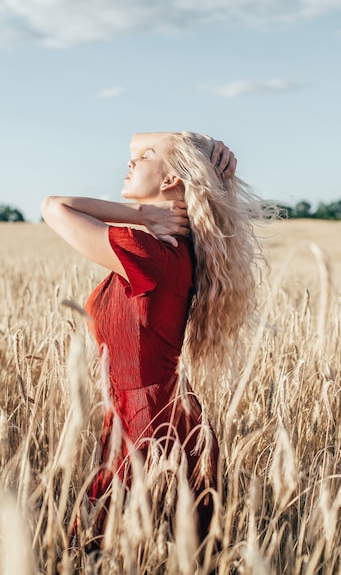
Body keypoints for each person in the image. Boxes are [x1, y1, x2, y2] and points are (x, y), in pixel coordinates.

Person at [41, 131, 264, 550]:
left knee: (92, 552)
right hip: (166, 416)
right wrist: (213, 150)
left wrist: (140, 216)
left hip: (145, 426)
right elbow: (142, 142)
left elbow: (54, 207)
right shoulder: (177, 247)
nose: (130, 161)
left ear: (171, 180)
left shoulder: (147, 248)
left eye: (144, 157)